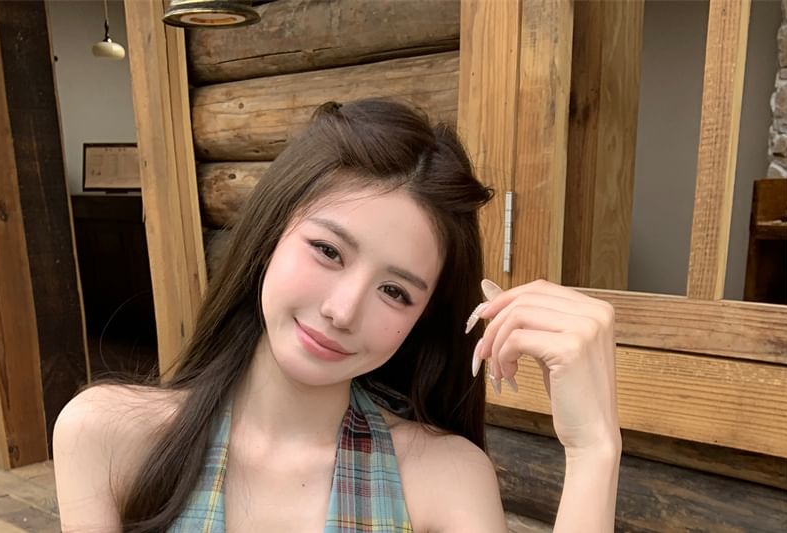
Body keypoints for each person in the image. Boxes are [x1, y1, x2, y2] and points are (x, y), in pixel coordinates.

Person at [53, 98, 621, 532]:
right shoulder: (110, 435)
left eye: (395, 291)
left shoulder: (444, 476)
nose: (342, 311)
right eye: (327, 251)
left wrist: (594, 449)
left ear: (422, 319)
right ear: (270, 235)